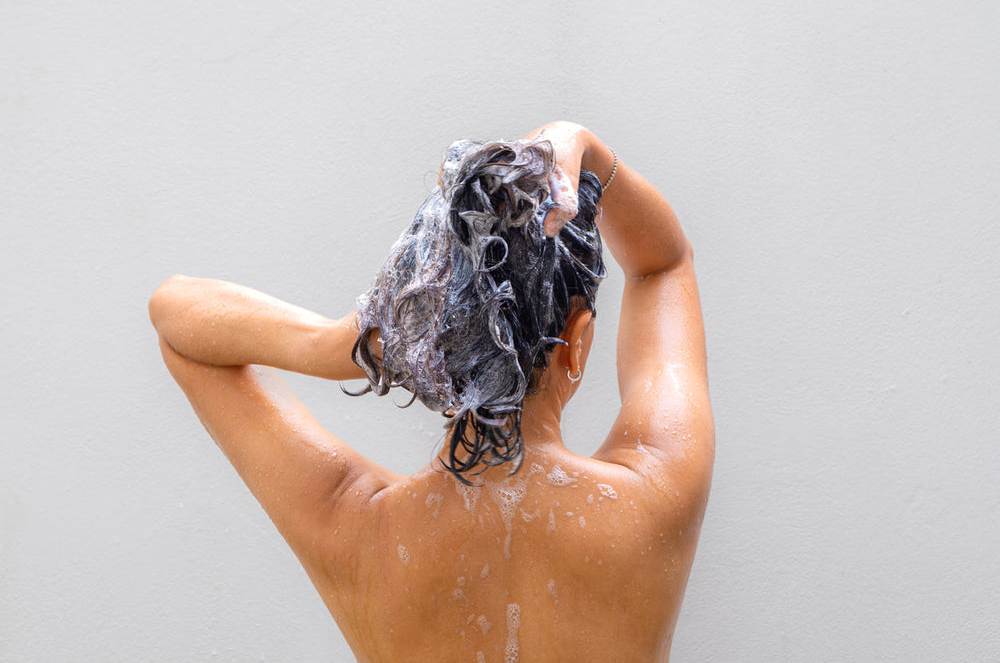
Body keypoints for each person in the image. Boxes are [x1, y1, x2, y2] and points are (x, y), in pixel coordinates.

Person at [149, 121, 714, 662]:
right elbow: (663, 266)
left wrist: (346, 342)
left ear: (430, 340)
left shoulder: (355, 527)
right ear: (577, 342)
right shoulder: (656, 492)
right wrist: (583, 145)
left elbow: (175, 316)